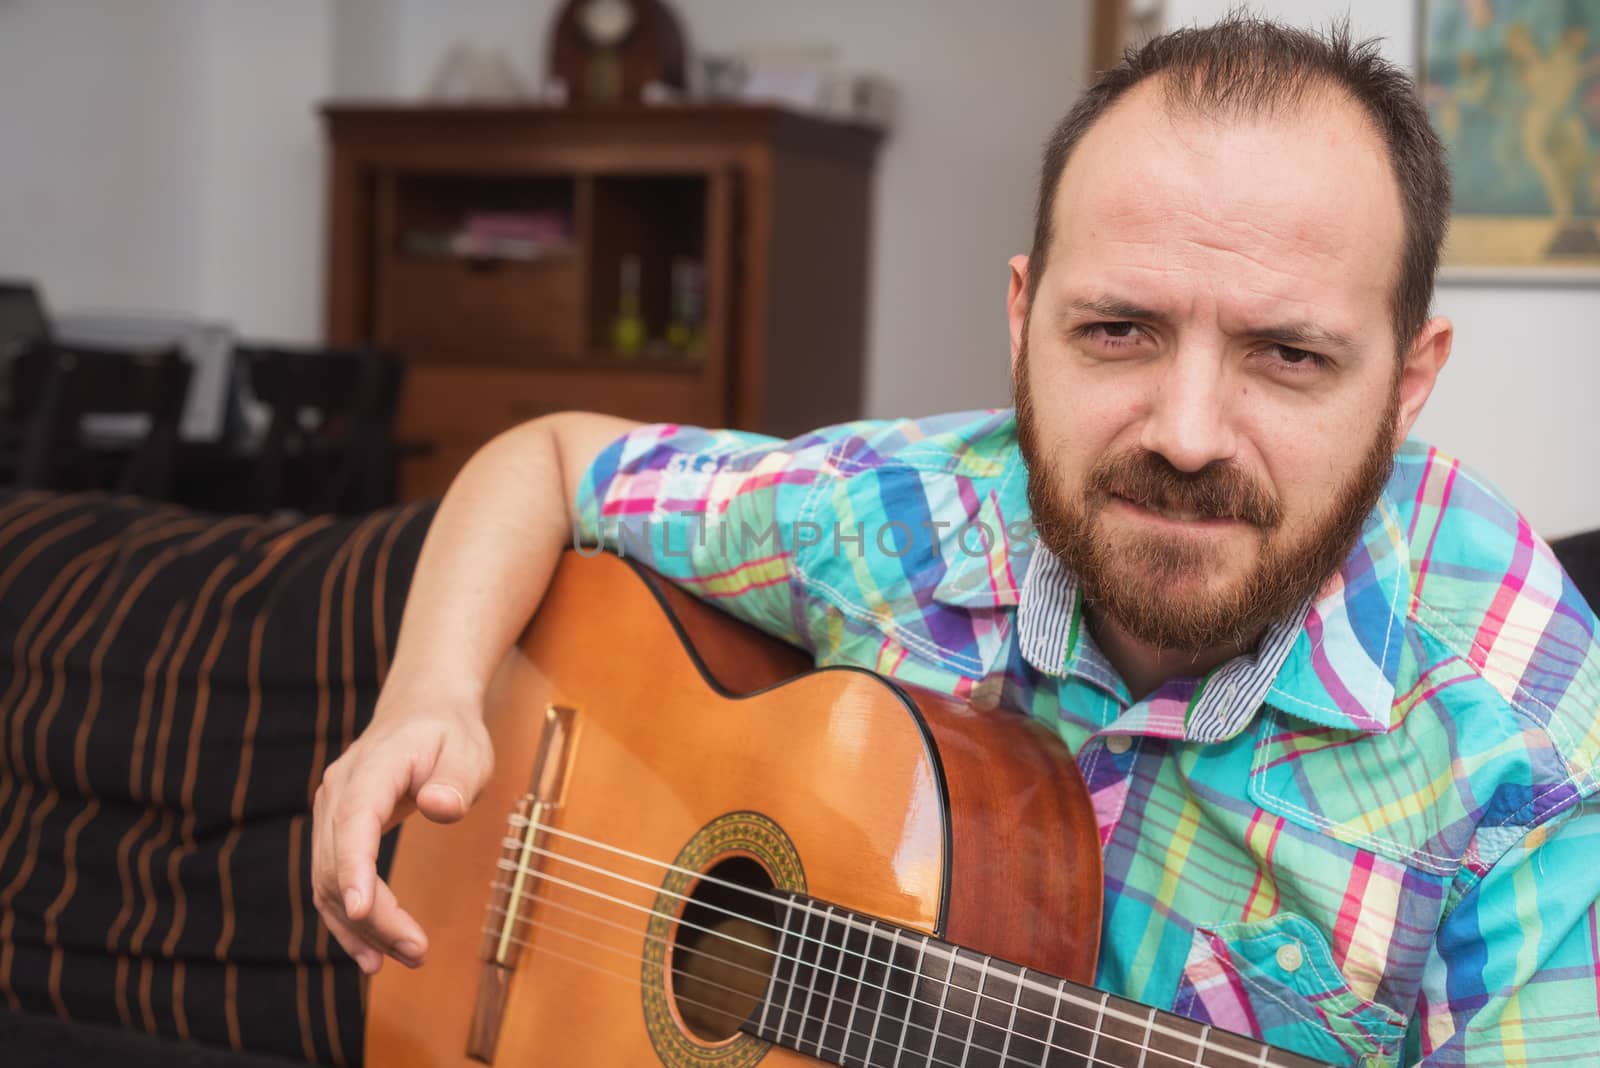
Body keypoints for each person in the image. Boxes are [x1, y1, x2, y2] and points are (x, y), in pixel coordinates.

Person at [311, 16, 1600, 1066]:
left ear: (1409, 379)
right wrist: (426, 701)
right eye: (1117, 332)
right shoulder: (907, 515)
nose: (1189, 433)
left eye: (1289, 354)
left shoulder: (1537, 756)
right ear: (1023, 315)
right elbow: (544, 462)